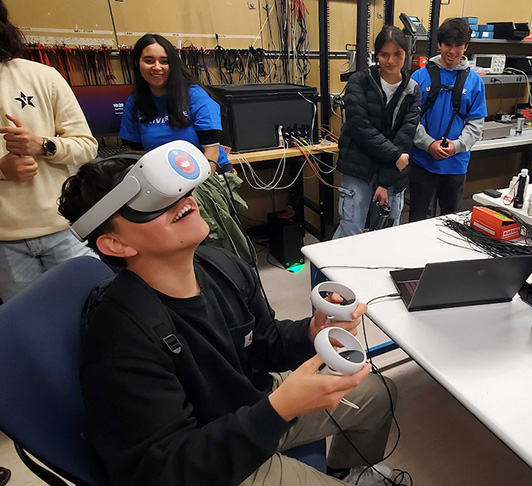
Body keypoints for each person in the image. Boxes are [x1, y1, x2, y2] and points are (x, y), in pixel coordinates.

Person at [58, 151, 399, 486]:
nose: (182, 200)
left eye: (173, 190)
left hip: (253, 404)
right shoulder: (120, 336)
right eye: (151, 203)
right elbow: (163, 469)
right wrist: (279, 409)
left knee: (378, 393)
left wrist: (312, 332)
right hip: (208, 453)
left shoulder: (222, 266)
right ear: (116, 244)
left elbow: (263, 343)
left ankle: (347, 470)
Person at [119, 33, 255, 266]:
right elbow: (135, 155)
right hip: (163, 184)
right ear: (137, 63)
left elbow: (211, 153)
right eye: (149, 60)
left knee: (212, 240)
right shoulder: (136, 103)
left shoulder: (193, 95)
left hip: (204, 175)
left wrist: (187, 190)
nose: (157, 67)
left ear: (173, 63)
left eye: (164, 61)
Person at [0, 0, 97, 302]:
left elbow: (87, 146)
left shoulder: (43, 76)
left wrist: (43, 145)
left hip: (64, 228)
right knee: (33, 326)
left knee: (99, 312)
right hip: (5, 244)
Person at [333, 25, 421, 239]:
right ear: (376, 55)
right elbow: (359, 127)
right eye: (384, 54)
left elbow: (405, 137)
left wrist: (384, 181)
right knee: (350, 233)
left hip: (392, 174)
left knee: (385, 237)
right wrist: (394, 155)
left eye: (397, 54)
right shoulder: (359, 82)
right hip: (359, 168)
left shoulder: (412, 90)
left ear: (406, 54)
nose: (391, 60)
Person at [409, 17, 487, 221]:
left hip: (456, 163)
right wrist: (428, 144)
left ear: (466, 46)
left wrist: (457, 146)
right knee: (416, 219)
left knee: (451, 221)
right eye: (447, 45)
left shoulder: (475, 82)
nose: (452, 51)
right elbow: (410, 119)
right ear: (439, 45)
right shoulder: (419, 77)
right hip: (422, 161)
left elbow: (476, 124)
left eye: (458, 45)